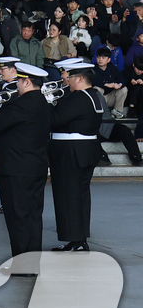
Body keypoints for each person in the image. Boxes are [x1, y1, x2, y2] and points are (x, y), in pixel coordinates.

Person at [0, 63, 51, 274]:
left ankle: (22, 265)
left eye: (19, 81)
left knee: (17, 217)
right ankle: (31, 263)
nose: (17, 85)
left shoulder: (20, 105)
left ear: (27, 81)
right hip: (35, 166)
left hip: (15, 168)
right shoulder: (44, 103)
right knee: (32, 216)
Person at [49, 60, 105, 252]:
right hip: (84, 149)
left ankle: (76, 239)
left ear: (80, 79)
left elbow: (54, 120)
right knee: (78, 196)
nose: (67, 81)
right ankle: (78, 238)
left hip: (71, 150)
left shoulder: (79, 97)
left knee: (68, 196)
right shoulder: (93, 94)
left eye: (70, 77)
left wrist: (46, 104)